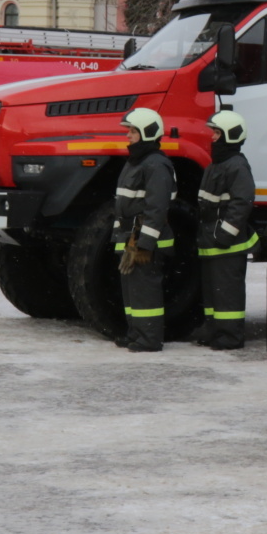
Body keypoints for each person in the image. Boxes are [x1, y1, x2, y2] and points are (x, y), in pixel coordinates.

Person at [113, 107, 175, 351]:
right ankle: (135, 333)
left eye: (133, 131)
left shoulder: (156, 165)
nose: (128, 135)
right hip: (131, 237)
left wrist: (145, 244)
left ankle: (149, 339)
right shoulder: (137, 161)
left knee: (145, 291)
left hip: (144, 240)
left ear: (148, 133)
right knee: (132, 293)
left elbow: (156, 209)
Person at [196, 109, 256, 350]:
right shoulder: (216, 165)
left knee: (227, 294)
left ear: (230, 136)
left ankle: (230, 337)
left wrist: (225, 235)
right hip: (211, 242)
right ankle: (214, 331)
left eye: (217, 133)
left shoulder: (237, 166)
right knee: (213, 293)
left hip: (227, 245)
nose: (213, 137)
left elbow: (242, 203)